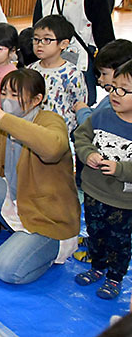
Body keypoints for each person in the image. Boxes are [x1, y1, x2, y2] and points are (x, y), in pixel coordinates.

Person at [0, 68, 80, 285]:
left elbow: (52, 149)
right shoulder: (3, 128)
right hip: (17, 204)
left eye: (14, 95)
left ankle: (49, 250)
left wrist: (2, 117)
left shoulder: (50, 120)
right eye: (4, 93)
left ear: (36, 99)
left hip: (47, 218)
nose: (6, 100)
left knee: (6, 269)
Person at [73, 61, 132, 300]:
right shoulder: (103, 115)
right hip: (94, 191)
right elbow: (81, 136)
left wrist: (120, 169)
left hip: (123, 201)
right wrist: (87, 153)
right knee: (96, 233)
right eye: (113, 87)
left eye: (124, 90)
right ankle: (97, 267)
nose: (115, 94)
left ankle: (115, 277)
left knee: (120, 240)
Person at [27, 15, 87, 136]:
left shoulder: (72, 73)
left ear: (63, 44)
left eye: (47, 40)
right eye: (36, 39)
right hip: (33, 129)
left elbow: (79, 103)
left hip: (60, 133)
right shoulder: (30, 69)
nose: (39, 44)